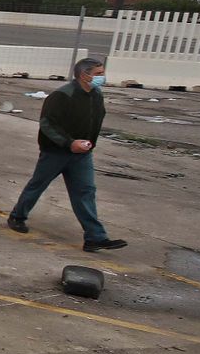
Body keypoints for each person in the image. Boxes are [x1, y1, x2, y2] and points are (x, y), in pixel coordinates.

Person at [7, 58, 126, 251]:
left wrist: (86, 143)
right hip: (56, 152)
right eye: (97, 74)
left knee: (85, 192)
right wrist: (69, 143)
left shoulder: (96, 94)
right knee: (38, 185)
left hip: (82, 154)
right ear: (83, 75)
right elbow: (47, 124)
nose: (101, 77)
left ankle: (95, 237)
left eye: (102, 73)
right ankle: (17, 216)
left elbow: (97, 117)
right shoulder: (62, 95)